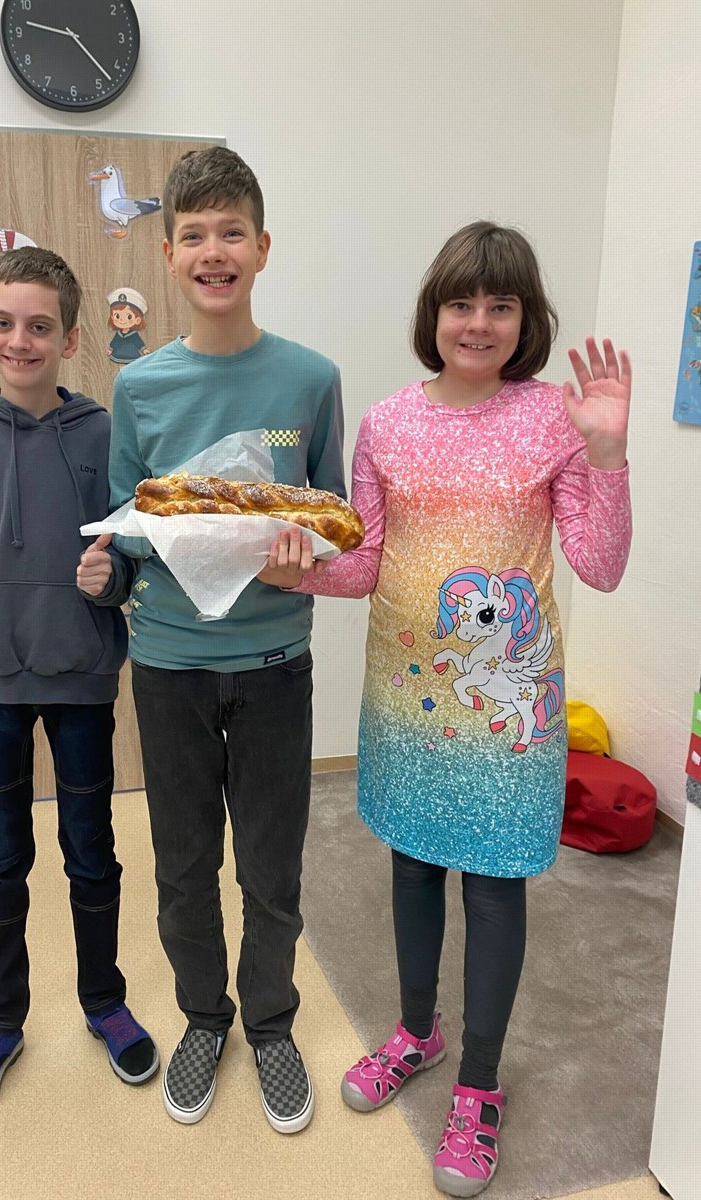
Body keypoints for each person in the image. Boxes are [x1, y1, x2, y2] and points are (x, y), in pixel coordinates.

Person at [266, 221, 632, 1194]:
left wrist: (606, 455)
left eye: (500, 305)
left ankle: (479, 1085)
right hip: (409, 698)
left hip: (506, 712)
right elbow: (364, 565)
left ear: (526, 318)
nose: (478, 322)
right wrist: (293, 572)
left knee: (496, 883)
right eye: (460, 303)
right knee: (413, 865)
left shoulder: (555, 418)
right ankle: (417, 1033)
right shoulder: (387, 422)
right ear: (433, 314)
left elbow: (599, 566)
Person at [108, 146, 347, 1133]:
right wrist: (136, 550)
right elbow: (124, 523)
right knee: (181, 869)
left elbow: (334, 521)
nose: (215, 251)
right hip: (167, 666)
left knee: (272, 867)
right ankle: (204, 1020)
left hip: (275, 668)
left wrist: (307, 558)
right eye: (194, 235)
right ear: (169, 255)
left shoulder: (310, 378)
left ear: (263, 246)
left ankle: (272, 1025)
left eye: (232, 232)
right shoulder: (140, 388)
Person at [0, 246, 158, 1125]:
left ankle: (104, 1001)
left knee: (91, 850)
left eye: (41, 326)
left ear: (71, 338)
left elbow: (131, 558)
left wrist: (114, 582)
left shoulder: (102, 434)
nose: (21, 341)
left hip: (81, 678)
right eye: (6, 324)